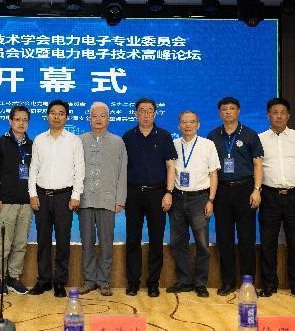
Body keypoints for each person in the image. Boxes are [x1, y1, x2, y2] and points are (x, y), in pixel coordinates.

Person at [258, 97, 295, 301]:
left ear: (288, 116)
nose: (279, 116)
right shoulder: (260, 139)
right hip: (269, 196)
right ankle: (268, 284)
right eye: (275, 112)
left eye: (283, 112)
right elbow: (256, 169)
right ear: (268, 115)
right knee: (268, 243)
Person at [28, 99, 85, 298]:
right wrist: (32, 194)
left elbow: (79, 170)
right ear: (47, 116)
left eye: (61, 113)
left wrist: (76, 195)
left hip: (64, 198)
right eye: (53, 113)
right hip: (42, 197)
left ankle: (60, 281)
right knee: (43, 240)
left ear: (66, 117)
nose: (57, 117)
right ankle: (43, 280)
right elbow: (33, 168)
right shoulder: (39, 140)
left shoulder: (74, 141)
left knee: (62, 241)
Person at [207, 97, 264, 296]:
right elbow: (210, 168)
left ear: (238, 111)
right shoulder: (213, 136)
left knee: (247, 238)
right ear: (220, 113)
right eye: (224, 109)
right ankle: (228, 282)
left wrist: (257, 189)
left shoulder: (250, 134)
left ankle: (248, 282)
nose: (228, 112)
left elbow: (258, 165)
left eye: (232, 109)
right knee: (224, 239)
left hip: (245, 189)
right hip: (222, 191)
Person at [121, 98, 177, 297]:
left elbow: (171, 166)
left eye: (149, 111)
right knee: (132, 239)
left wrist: (169, 192)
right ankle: (133, 282)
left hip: (157, 194)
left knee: (156, 239)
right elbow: (122, 169)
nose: (146, 114)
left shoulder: (164, 136)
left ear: (155, 113)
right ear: (136, 113)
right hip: (133, 194)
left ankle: (153, 283)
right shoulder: (128, 137)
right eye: (142, 110)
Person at [167, 110, 220, 297]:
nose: (187, 125)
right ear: (179, 125)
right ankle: (185, 281)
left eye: (191, 122)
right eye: (184, 122)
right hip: (177, 198)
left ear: (198, 124)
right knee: (177, 242)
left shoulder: (207, 144)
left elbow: (214, 174)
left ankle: (200, 283)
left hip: (200, 198)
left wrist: (211, 200)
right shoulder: (173, 144)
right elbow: (170, 171)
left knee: (202, 243)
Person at [78, 102, 127, 296]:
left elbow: (122, 173)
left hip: (108, 200)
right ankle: (89, 280)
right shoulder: (80, 140)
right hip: (84, 200)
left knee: (107, 243)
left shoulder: (118, 142)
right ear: (89, 119)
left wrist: (120, 199)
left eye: (102, 116)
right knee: (87, 243)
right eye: (94, 116)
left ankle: (104, 280)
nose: (98, 119)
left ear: (108, 118)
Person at [0, 105, 34, 295]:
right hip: (5, 202)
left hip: (26, 202)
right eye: (17, 119)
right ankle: (0, 279)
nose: (21, 123)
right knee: (4, 243)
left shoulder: (32, 146)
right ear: (10, 121)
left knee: (20, 243)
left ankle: (14, 277)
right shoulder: (0, 144)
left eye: (25, 120)